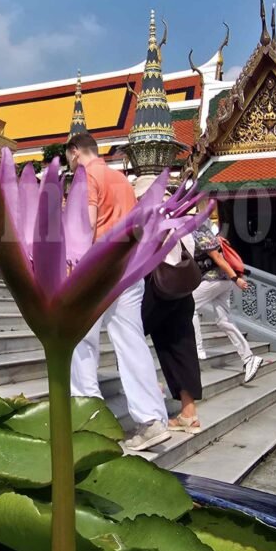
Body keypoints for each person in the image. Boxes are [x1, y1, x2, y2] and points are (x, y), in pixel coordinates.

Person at [65, 131, 170, 452]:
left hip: (98, 267)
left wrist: (73, 272)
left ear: (73, 152)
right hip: (129, 269)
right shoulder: (121, 179)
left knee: (80, 340)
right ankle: (151, 420)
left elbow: (86, 225)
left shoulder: (85, 177)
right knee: (131, 342)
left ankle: (88, 415)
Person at [135, 176, 203, 434]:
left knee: (131, 336)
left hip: (158, 290)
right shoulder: (179, 218)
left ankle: (150, 396)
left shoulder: (150, 219)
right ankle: (189, 413)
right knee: (180, 348)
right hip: (182, 291)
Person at [193, 222, 263, 383]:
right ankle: (249, 358)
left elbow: (217, 257)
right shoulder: (203, 231)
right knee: (224, 321)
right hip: (223, 282)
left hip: (215, 279)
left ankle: (198, 348)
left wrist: (236, 278)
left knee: (189, 305)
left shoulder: (198, 231)